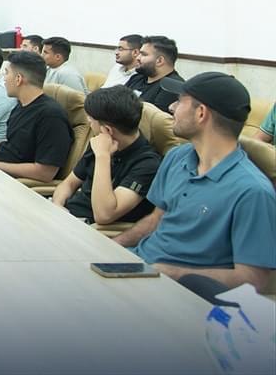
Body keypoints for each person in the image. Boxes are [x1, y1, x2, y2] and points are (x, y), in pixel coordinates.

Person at [113, 73, 276, 291]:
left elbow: (254, 279)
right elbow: (156, 219)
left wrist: (173, 274)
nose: (171, 107)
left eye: (180, 101)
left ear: (201, 113)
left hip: (182, 291)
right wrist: (113, 247)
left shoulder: (252, 191)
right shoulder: (177, 157)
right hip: (140, 269)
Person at [52, 86, 162, 224]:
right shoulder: (100, 141)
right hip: (67, 215)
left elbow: (104, 215)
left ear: (107, 130)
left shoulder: (148, 164)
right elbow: (69, 184)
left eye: (91, 120)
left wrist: (103, 157)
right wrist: (57, 205)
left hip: (91, 227)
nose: (89, 123)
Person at [0, 51, 73, 182]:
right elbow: (11, 144)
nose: (4, 79)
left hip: (11, 180)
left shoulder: (51, 116)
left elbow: (45, 172)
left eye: (6, 73)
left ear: (19, 79)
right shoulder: (20, 105)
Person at [124, 35, 184, 114]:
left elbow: (153, 119)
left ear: (159, 61)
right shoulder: (137, 78)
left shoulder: (172, 87)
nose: (138, 58)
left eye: (144, 54)